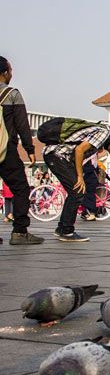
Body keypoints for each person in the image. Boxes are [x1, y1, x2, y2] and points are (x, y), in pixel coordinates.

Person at [43, 119, 110, 242]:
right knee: (77, 191)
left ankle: (63, 228)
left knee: (75, 191)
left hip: (59, 157)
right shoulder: (104, 134)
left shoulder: (100, 140)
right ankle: (65, 231)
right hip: (56, 155)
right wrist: (79, 176)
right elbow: (79, 150)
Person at [0, 56, 45, 245]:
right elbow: (22, 124)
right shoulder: (11, 93)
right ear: (4, 73)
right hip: (5, 150)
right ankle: (19, 232)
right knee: (20, 188)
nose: (12, 73)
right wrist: (29, 148)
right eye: (10, 70)